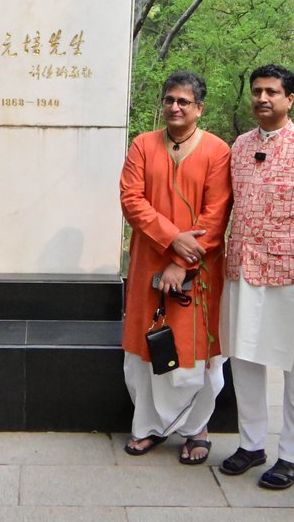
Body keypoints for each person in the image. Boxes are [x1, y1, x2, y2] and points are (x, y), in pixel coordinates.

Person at [220, 65, 294, 489]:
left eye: (272, 92)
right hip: (242, 271)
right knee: (244, 360)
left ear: (290, 99)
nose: (263, 98)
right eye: (257, 91)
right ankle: (251, 444)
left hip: (289, 274)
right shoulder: (240, 145)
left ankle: (293, 454)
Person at [119, 70, 232, 465]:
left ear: (199, 108)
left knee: (195, 353)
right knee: (144, 350)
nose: (175, 107)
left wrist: (182, 261)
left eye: (184, 101)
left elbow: (215, 216)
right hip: (149, 261)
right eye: (169, 99)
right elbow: (132, 200)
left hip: (199, 268)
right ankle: (148, 427)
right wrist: (171, 240)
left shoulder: (218, 151)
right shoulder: (142, 145)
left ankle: (196, 429)